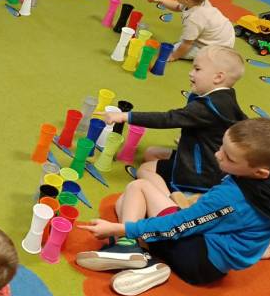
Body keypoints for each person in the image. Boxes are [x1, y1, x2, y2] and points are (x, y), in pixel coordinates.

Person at [76, 118, 270, 296]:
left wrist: (120, 229)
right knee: (125, 202)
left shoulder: (228, 198)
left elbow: (178, 226)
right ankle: (142, 255)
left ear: (259, 172)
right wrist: (254, 249)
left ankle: (133, 251)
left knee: (138, 188)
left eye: (229, 158)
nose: (218, 155)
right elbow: (260, 222)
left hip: (197, 260)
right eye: (222, 147)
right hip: (216, 259)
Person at [103, 45, 247, 194]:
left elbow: (168, 119)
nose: (190, 73)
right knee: (151, 153)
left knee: (144, 170)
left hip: (199, 172)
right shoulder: (227, 97)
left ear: (218, 77)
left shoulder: (206, 106)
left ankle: (170, 200)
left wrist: (126, 116)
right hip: (206, 160)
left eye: (197, 69)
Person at [145, 0, 234, 61]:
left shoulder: (194, 18)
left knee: (175, 48)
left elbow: (187, 44)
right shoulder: (198, 1)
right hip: (224, 34)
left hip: (217, 48)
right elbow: (177, 6)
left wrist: (174, 56)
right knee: (187, 37)